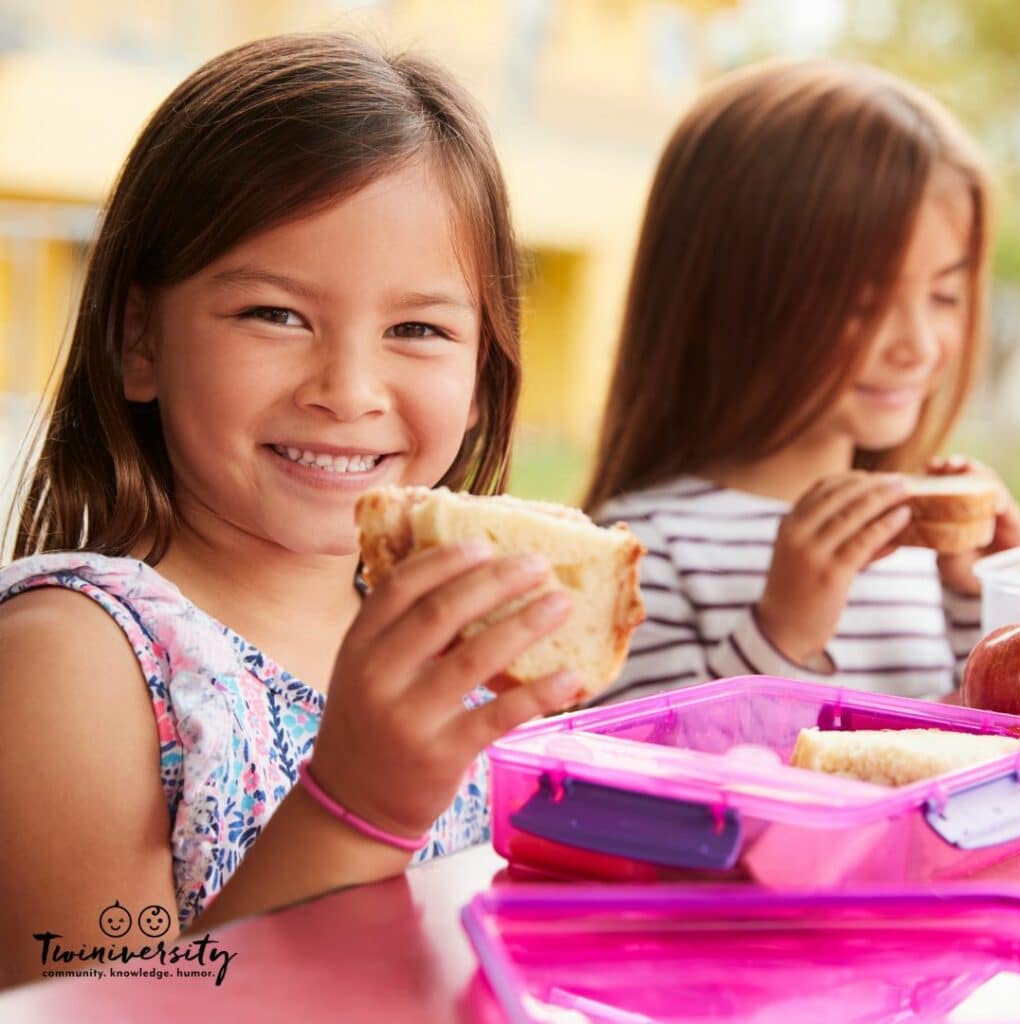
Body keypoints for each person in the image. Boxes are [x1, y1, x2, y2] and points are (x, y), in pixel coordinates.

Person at [0, 33, 583, 988]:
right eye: (275, 315)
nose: (347, 390)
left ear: (483, 373)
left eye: (417, 329)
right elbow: (114, 1011)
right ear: (138, 338)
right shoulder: (69, 665)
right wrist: (356, 808)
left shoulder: (472, 646)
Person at [584, 59, 1020, 706]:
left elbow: (967, 755)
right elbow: (641, 787)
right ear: (726, 296)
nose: (919, 346)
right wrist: (780, 633)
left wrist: (985, 596)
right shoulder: (644, 551)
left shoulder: (920, 559)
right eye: (864, 302)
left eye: (945, 295)